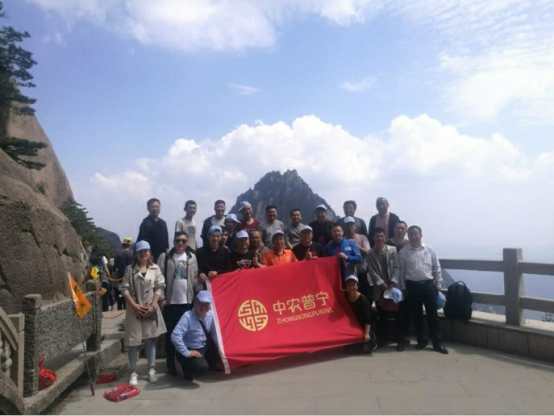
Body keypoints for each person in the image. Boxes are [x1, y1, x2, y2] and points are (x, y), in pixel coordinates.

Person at [120, 241, 167, 385]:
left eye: (145, 251)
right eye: (140, 251)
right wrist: (134, 305)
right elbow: (124, 288)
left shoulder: (155, 268)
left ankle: (151, 369)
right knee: (133, 342)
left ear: (149, 252)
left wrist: (153, 305)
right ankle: (133, 372)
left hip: (150, 308)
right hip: (134, 309)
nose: (143, 253)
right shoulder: (130, 269)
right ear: (135, 253)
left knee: (151, 340)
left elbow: (160, 287)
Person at [397, 226, 448, 354]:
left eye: (416, 234)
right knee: (417, 315)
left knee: (433, 315)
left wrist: (438, 283)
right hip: (412, 286)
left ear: (421, 235)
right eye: (411, 234)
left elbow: (437, 266)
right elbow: (401, 271)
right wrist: (403, 287)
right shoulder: (403, 252)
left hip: (428, 285)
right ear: (408, 236)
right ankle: (422, 340)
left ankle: (437, 343)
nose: (413, 237)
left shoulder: (429, 249)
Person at [157, 232, 200, 376]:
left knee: (187, 335)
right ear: (173, 242)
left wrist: (199, 293)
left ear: (187, 243)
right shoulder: (165, 257)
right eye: (177, 240)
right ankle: (170, 363)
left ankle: (185, 363)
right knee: (171, 334)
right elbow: (159, 279)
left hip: (187, 303)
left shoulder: (192, 257)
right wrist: (161, 298)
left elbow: (195, 279)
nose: (180, 243)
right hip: (171, 303)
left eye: (183, 241)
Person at [171, 290, 219, 382]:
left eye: (207, 304)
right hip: (190, 348)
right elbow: (175, 336)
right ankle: (185, 366)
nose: (204, 307)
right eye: (201, 303)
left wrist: (220, 349)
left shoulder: (210, 314)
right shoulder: (187, 317)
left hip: (203, 345)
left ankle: (208, 363)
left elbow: (214, 333)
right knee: (201, 368)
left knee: (218, 356)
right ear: (195, 302)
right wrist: (186, 353)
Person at [367, 228, 400, 347]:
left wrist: (394, 281)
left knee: (397, 313)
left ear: (385, 237)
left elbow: (397, 267)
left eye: (381, 236)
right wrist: (381, 283)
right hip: (379, 288)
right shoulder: (370, 253)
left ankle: (398, 338)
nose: (379, 238)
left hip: (393, 287)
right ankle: (382, 340)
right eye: (377, 236)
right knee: (381, 315)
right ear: (373, 238)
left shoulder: (393, 250)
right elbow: (371, 270)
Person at [344, 275, 376, 354]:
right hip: (351, 326)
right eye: (349, 285)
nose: (351, 287)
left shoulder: (363, 300)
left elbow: (368, 318)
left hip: (363, 326)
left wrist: (366, 333)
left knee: (367, 346)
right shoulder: (344, 297)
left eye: (353, 285)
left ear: (357, 286)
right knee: (348, 349)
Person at [344, 216, 372, 300]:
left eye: (351, 225)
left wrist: (355, 245)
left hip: (362, 273)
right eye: (347, 225)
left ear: (355, 226)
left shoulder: (362, 237)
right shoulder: (342, 240)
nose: (350, 227)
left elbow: (368, 252)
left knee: (365, 298)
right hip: (349, 275)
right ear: (344, 227)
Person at [87, 246, 112, 312]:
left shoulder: (90, 259)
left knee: (96, 298)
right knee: (105, 296)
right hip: (104, 280)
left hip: (94, 281)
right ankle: (105, 310)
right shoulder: (103, 257)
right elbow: (106, 270)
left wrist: (85, 281)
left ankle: (98, 311)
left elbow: (89, 272)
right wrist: (110, 278)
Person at [112, 237, 134, 310]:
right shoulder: (133, 254)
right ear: (129, 245)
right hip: (131, 278)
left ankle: (119, 308)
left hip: (120, 279)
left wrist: (113, 280)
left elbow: (114, 268)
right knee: (129, 296)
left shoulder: (118, 255)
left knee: (119, 296)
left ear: (123, 245)